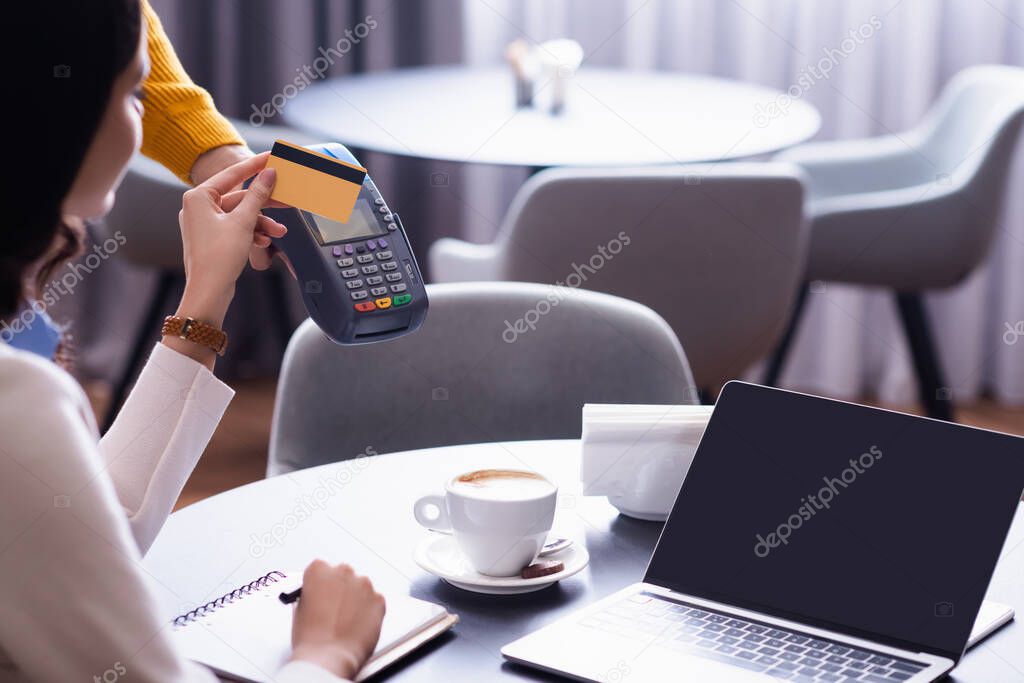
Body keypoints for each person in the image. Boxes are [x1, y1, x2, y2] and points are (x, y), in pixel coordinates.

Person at [0, 1, 384, 681]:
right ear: (54, 116)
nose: (145, 117)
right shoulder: (16, 405)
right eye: (132, 93)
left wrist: (207, 294)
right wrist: (325, 655)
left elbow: (90, 531)